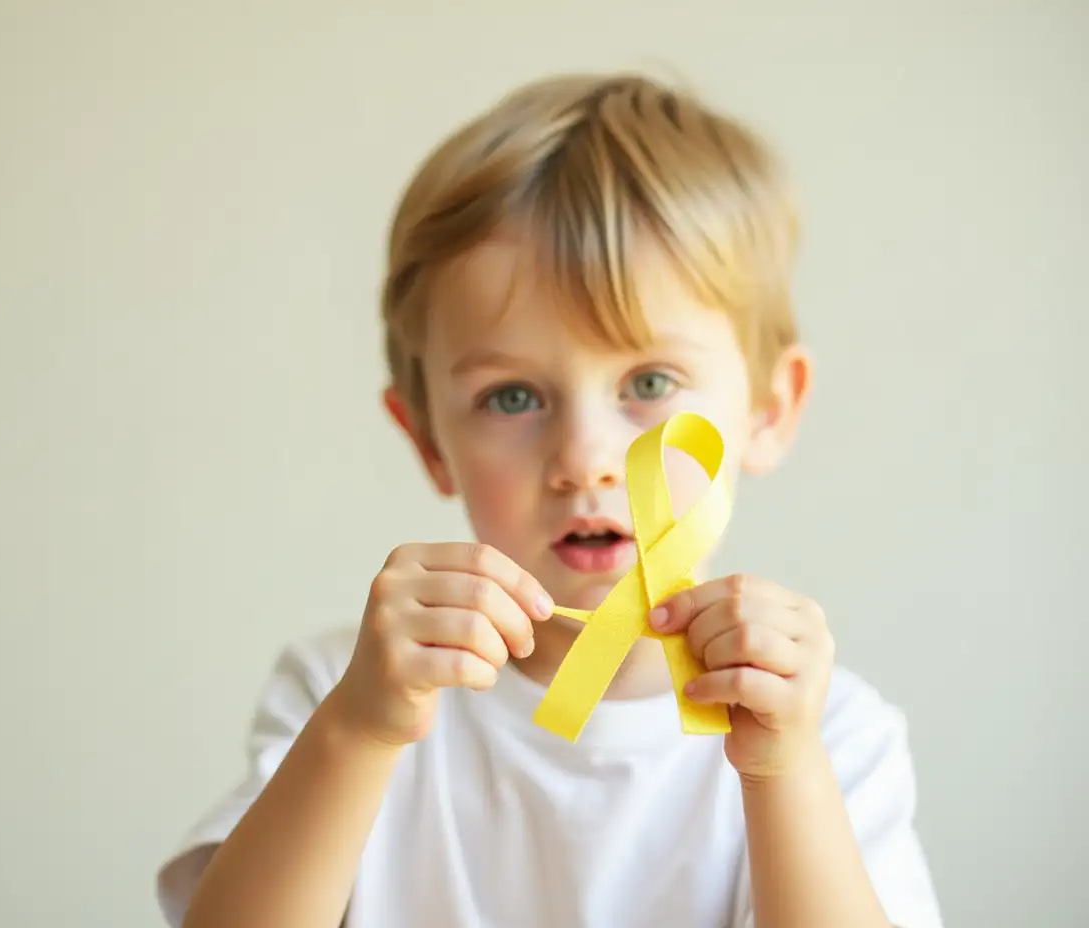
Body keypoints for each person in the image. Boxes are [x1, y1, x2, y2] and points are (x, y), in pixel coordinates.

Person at [155, 70, 943, 928]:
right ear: (427, 438)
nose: (584, 460)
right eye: (513, 398)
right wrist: (359, 731)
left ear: (769, 408)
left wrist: (784, 769)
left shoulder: (833, 736)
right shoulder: (343, 693)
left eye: (648, 381)